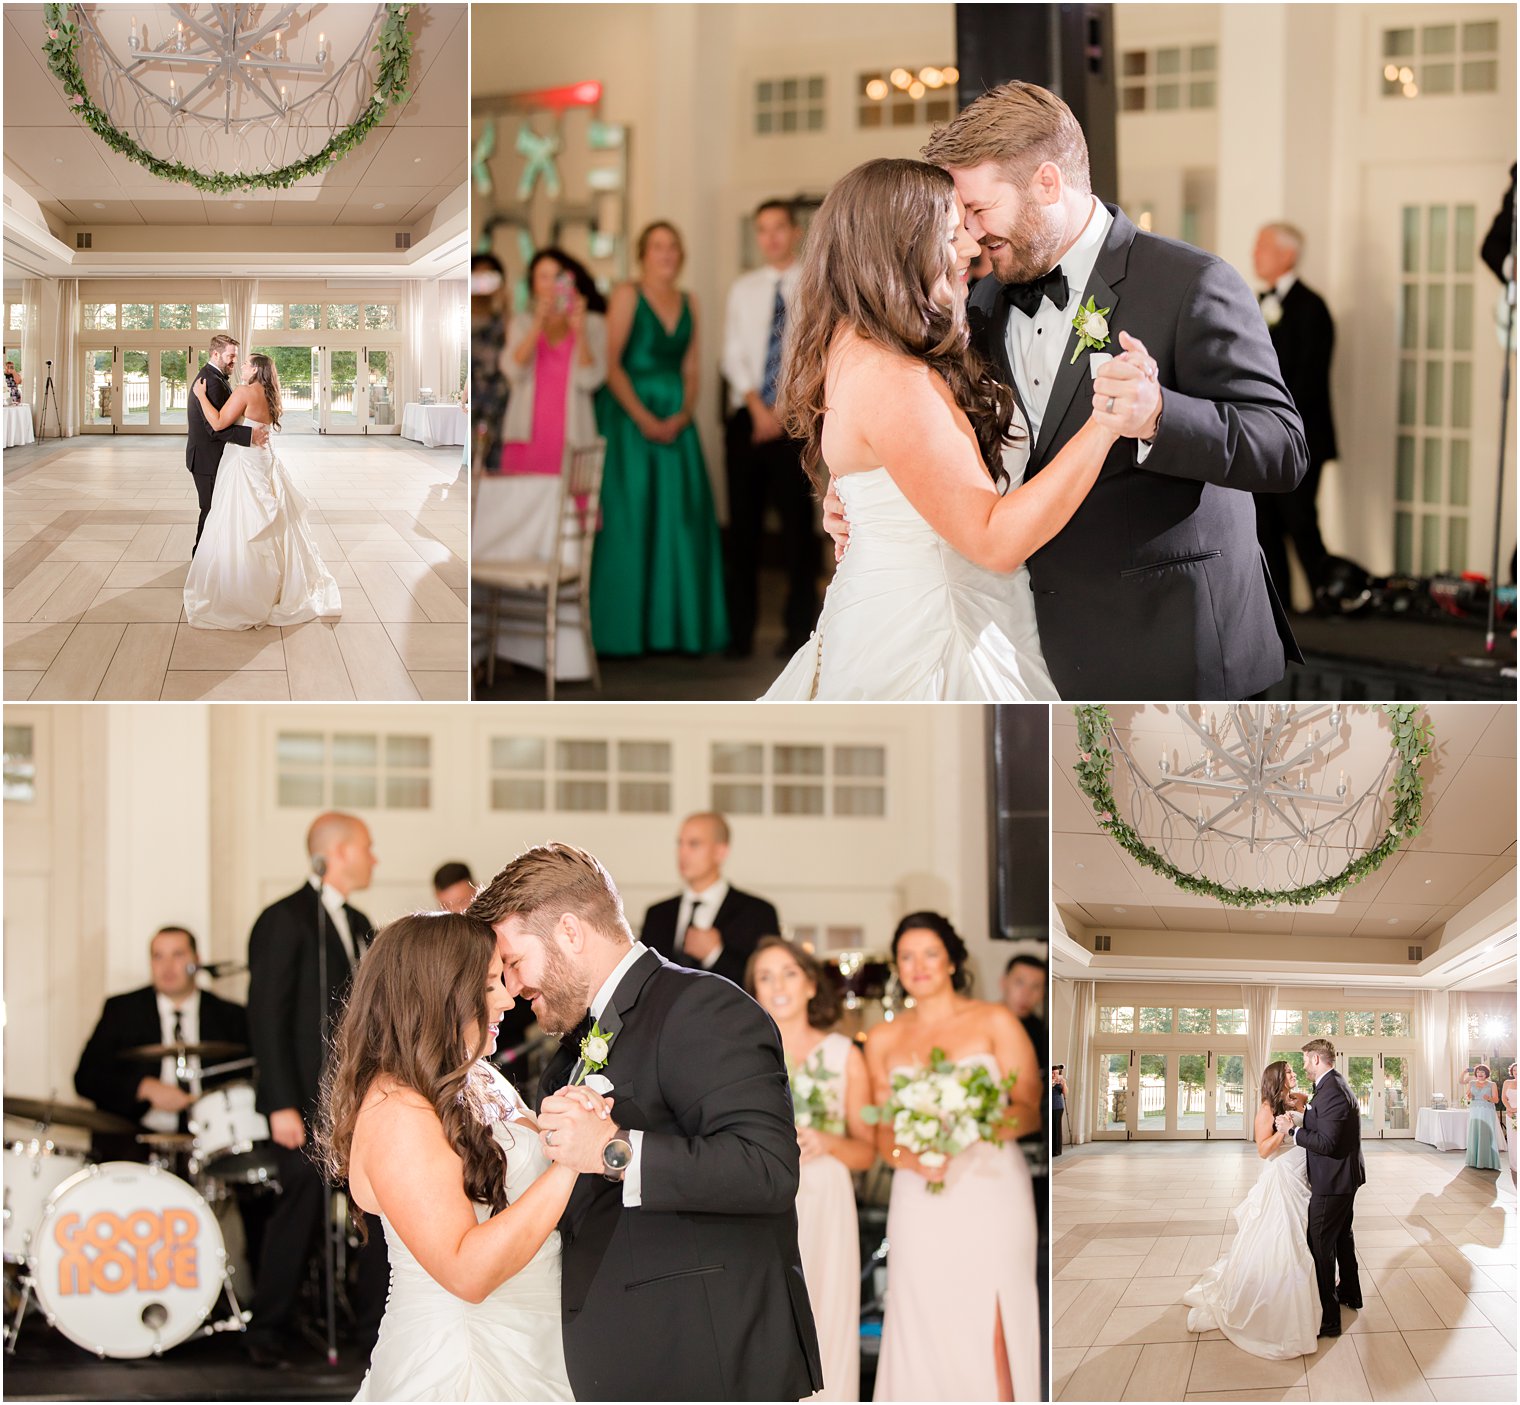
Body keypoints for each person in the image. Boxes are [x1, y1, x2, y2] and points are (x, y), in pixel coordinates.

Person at [823, 83, 1307, 699]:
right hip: (1034, 649)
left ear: (1047, 183)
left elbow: (1283, 447)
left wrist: (1160, 415)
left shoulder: (1190, 283)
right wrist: (865, 501)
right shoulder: (980, 303)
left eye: (979, 208)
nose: (969, 237)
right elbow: (933, 441)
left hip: (1176, 649)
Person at [764, 159, 1145, 701]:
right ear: (898, 250)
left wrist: (859, 500)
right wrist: (1104, 425)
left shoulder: (861, 345)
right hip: (938, 632)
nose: (971, 247)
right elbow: (993, 540)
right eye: (950, 234)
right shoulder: (892, 377)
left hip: (917, 606)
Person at [467, 842, 822, 1401]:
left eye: (513, 962)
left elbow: (768, 1168)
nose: (512, 986)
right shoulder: (568, 1053)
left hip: (704, 1360)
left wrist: (615, 1150)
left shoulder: (702, 1006)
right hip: (623, 1358)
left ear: (570, 932)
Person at [320, 911, 581, 1401]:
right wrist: (571, 1161)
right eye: (487, 986)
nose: (507, 997)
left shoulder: (475, 1074)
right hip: (466, 1360)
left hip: (537, 1341)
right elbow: (467, 1272)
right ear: (435, 996)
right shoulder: (398, 1109)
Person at [863, 912, 1041, 1401]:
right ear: (897, 967)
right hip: (919, 1191)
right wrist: (911, 1157)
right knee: (923, 1314)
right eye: (906, 956)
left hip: (990, 1184)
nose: (918, 966)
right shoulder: (882, 1039)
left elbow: (1029, 1108)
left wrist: (974, 1130)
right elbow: (881, 1133)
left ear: (952, 961)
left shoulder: (993, 1020)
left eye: (930, 954)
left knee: (993, 1314)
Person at [243, 813, 387, 1367]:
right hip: (300, 1103)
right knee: (299, 1212)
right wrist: (280, 1101)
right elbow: (267, 1018)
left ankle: (374, 1327)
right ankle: (268, 1329)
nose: (375, 858)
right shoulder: (284, 920)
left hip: (356, 1103)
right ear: (342, 852)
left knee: (375, 1208)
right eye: (368, 848)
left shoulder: (359, 920)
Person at [589, 221, 729, 657]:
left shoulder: (691, 301)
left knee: (679, 519)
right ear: (643, 254)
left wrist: (684, 413)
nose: (665, 254)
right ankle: (625, 631)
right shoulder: (628, 295)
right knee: (633, 519)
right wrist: (645, 418)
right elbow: (611, 366)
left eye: (672, 247)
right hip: (631, 423)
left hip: (676, 425)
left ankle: (677, 628)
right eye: (657, 247)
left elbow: (692, 367)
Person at [745, 936, 874, 1403]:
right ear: (753, 990)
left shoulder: (844, 1054)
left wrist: (829, 1140)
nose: (778, 985)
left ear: (810, 984)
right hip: (757, 1197)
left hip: (825, 1196)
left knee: (826, 1311)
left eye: (789, 973)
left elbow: (867, 1153)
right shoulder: (739, 1056)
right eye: (765, 976)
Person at [721, 199, 819, 660]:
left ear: (794, 231)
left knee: (799, 531)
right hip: (747, 418)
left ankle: (799, 633)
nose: (771, 237)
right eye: (762, 230)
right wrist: (757, 408)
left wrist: (783, 408)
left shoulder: (816, 285)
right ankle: (739, 634)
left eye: (779, 228)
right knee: (743, 530)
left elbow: (814, 349)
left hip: (796, 418)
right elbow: (732, 353)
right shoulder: (742, 288)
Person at [183, 350, 341, 630]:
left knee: (238, 516)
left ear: (255, 370)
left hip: (245, 460)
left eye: (246, 364)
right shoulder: (269, 393)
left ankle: (243, 584)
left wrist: (200, 396)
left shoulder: (244, 391)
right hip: (264, 457)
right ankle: (278, 583)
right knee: (267, 515)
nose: (241, 366)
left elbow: (218, 422)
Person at [74, 925, 248, 1163]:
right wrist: (142, 1087)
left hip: (211, 1143)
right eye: (158, 956)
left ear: (196, 961)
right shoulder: (122, 1011)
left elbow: (250, 1077)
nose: (167, 966)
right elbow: (86, 1077)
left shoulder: (230, 1016)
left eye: (178, 955)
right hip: (138, 1142)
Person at [1183, 1059, 1317, 1358]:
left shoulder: (1293, 1100)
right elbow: (1262, 1149)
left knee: (1303, 1232)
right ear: (1277, 1078)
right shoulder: (1267, 1108)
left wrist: (1300, 1110)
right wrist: (1283, 1131)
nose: (1295, 1075)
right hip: (1281, 1178)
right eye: (1290, 1073)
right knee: (1281, 1237)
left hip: (1300, 1178)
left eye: (1295, 1071)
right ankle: (1276, 1298)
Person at [1253, 222, 1337, 606]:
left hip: (1302, 436)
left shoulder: (1311, 307)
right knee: (1264, 524)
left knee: (1301, 521)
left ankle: (1328, 602)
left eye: (1264, 246)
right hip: (1263, 438)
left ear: (1287, 255)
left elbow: (1308, 377)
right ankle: (1279, 610)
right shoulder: (1256, 303)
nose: (1256, 253)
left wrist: (1279, 423)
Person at [1277, 1038, 1365, 1338]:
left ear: (1316, 1059)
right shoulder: (1330, 1086)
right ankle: (1350, 1294)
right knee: (1341, 1237)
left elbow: (1326, 1143)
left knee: (1319, 1243)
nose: (1303, 1066)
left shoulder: (1333, 1091)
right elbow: (1326, 1127)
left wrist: (1292, 1131)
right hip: (1342, 1177)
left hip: (1334, 1180)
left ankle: (1328, 1318)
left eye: (1304, 1060)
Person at [639, 811, 780, 986]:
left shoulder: (758, 913)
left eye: (694, 844)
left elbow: (766, 984)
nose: (682, 853)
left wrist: (715, 954)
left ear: (720, 852)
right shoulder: (657, 914)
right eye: (680, 843)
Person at [500, 248, 608, 476]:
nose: (551, 284)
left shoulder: (593, 323)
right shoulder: (522, 323)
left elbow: (590, 380)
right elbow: (513, 372)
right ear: (533, 285)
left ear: (570, 280)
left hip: (573, 435)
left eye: (557, 275)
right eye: (543, 277)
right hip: (527, 435)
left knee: (569, 508)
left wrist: (579, 332)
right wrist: (537, 324)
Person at [186, 334, 271, 554]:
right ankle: (201, 558)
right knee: (211, 510)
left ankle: (217, 558)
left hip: (217, 457)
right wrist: (249, 435)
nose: (234, 360)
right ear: (215, 354)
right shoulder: (210, 381)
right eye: (230, 356)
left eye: (236, 357)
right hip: (207, 458)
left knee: (221, 510)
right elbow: (214, 428)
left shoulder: (217, 377)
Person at [1460, 1064, 1502, 1171]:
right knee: (1475, 1133)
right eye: (1478, 1072)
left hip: (1487, 1111)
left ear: (1486, 1074)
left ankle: (1488, 1161)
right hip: (1474, 1111)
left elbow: (1496, 1100)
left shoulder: (1492, 1084)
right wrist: (1469, 1096)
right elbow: (1467, 1094)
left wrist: (1489, 1098)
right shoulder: (1471, 1083)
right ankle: (1474, 1160)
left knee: (1486, 1133)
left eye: (1482, 1072)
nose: (1480, 1074)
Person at [1503, 1064, 1517, 1183]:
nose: (1516, 1072)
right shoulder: (1507, 1082)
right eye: (1514, 1070)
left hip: (1516, 1112)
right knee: (1512, 1139)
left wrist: (1515, 1110)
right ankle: (1514, 1164)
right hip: (1510, 1115)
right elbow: (1503, 1098)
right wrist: (1509, 1109)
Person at [1050, 1064, 1067, 1157]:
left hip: (1058, 1106)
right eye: (1052, 1073)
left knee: (1057, 1128)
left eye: (1056, 1073)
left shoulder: (1060, 1082)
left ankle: (1057, 1150)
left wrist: (1064, 1083)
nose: (1054, 1075)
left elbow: (1065, 1093)